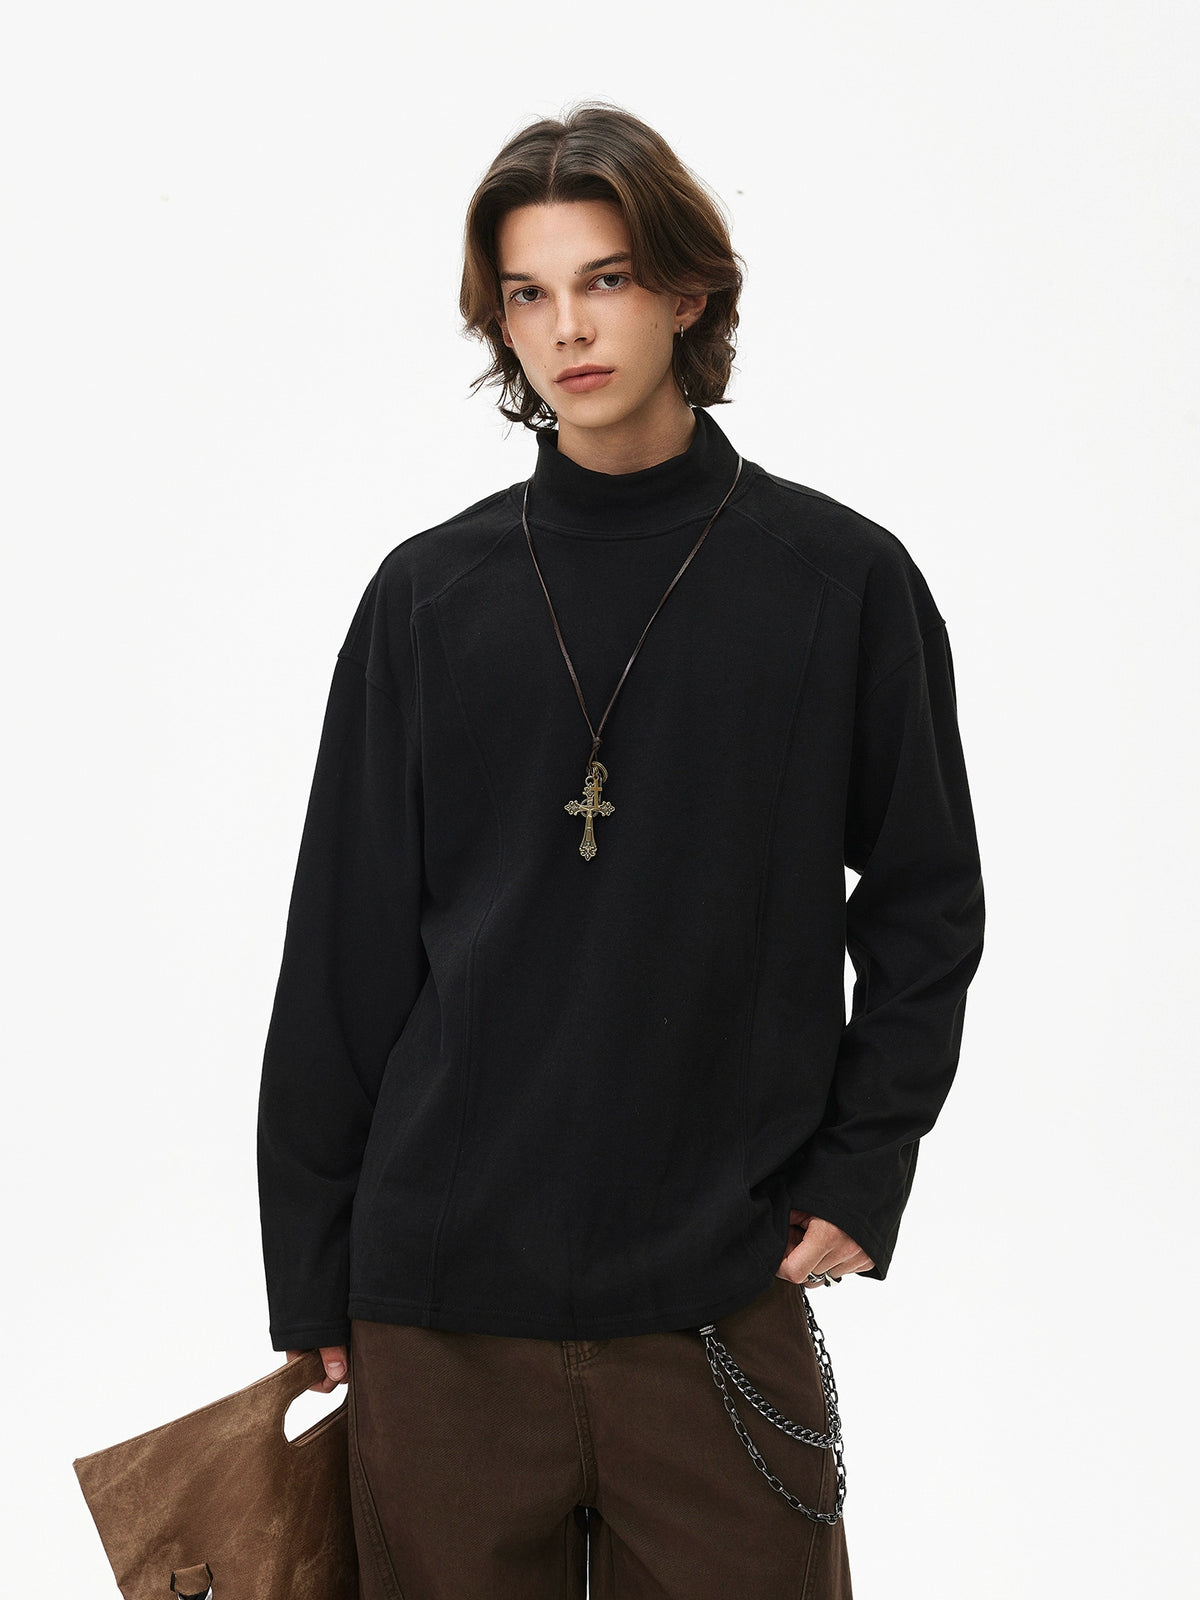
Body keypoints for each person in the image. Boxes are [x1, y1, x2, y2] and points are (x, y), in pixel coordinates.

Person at [256, 101, 985, 1600]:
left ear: (688, 293)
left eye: (604, 280)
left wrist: (866, 1167)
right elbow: (343, 948)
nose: (567, 329)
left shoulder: (837, 582)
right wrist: (310, 1273)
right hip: (442, 1307)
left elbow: (925, 901)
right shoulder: (429, 598)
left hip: (716, 1291)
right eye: (527, 293)